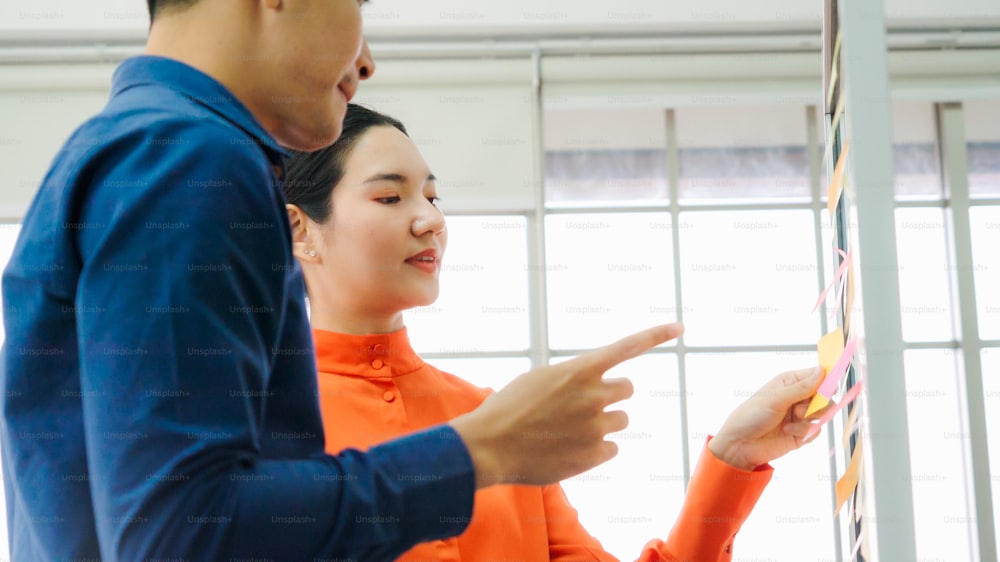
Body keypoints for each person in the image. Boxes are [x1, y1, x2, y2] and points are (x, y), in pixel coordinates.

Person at [0, 1, 680, 560]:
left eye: (433, 197)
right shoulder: (187, 156)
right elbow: (178, 538)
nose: (366, 59)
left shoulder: (135, 147)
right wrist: (483, 450)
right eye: (359, 5)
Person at [283, 104, 828, 562]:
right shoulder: (252, 430)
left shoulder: (503, 419)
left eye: (432, 196)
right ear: (299, 229)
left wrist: (732, 459)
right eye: (389, 197)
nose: (430, 218)